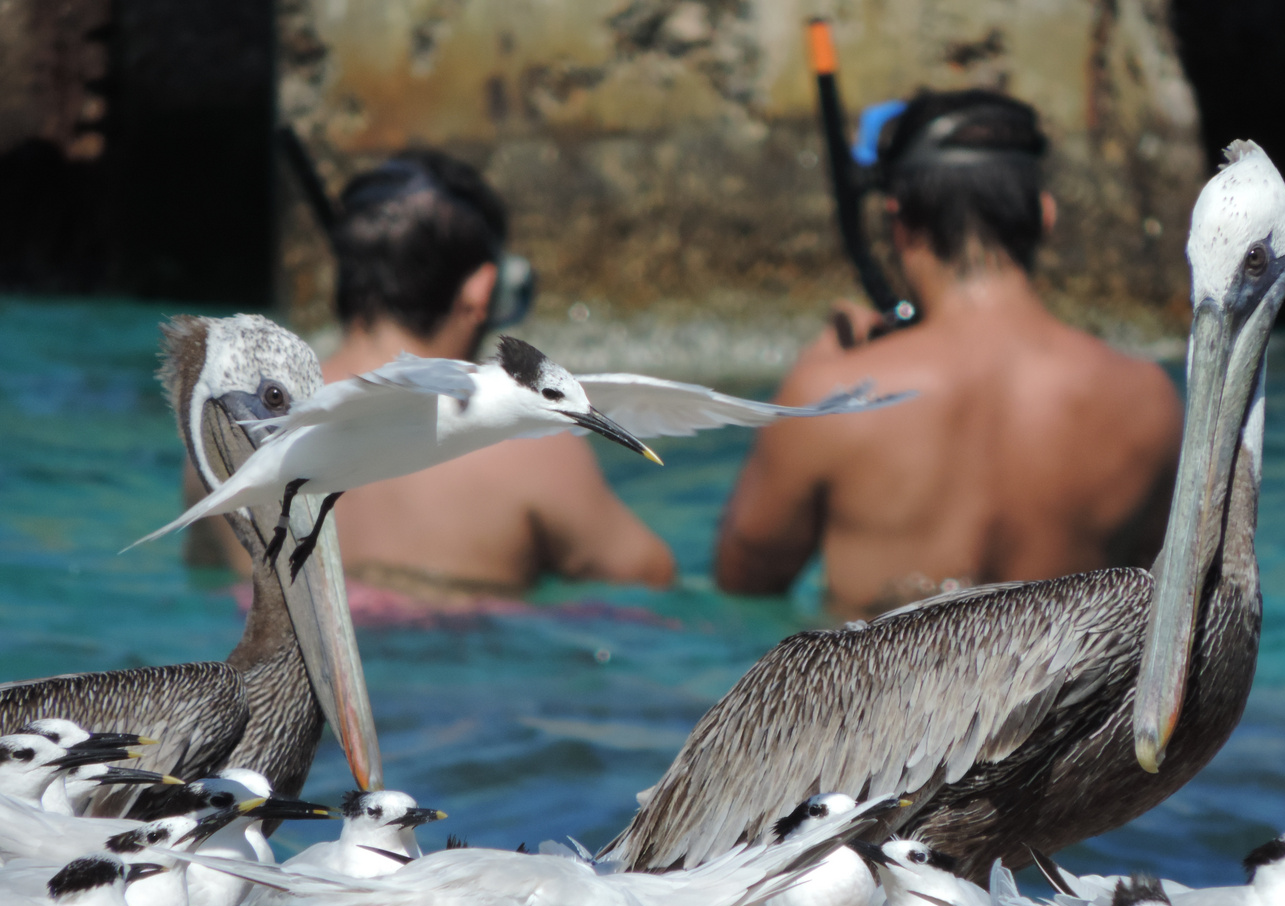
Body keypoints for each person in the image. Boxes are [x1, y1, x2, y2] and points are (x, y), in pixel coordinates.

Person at [713, 90, 1183, 616]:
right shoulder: (1150, 400)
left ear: (899, 222)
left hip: (881, 695)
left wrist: (820, 367)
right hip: (1065, 695)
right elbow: (1155, 592)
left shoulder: (830, 396)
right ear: (1045, 216)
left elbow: (743, 581)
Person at [187, 151, 675, 597]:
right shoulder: (528, 447)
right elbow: (653, 582)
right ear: (483, 292)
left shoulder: (230, 430)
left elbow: (207, 576)